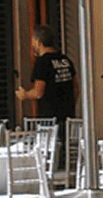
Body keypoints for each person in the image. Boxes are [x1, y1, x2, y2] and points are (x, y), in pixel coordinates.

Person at [23, 21, 78, 177]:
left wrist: (25, 94)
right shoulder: (65, 60)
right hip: (67, 116)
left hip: (49, 119)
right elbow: (76, 88)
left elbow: (38, 92)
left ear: (38, 42)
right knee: (64, 156)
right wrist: (69, 104)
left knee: (50, 159)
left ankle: (50, 184)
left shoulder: (42, 63)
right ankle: (66, 181)